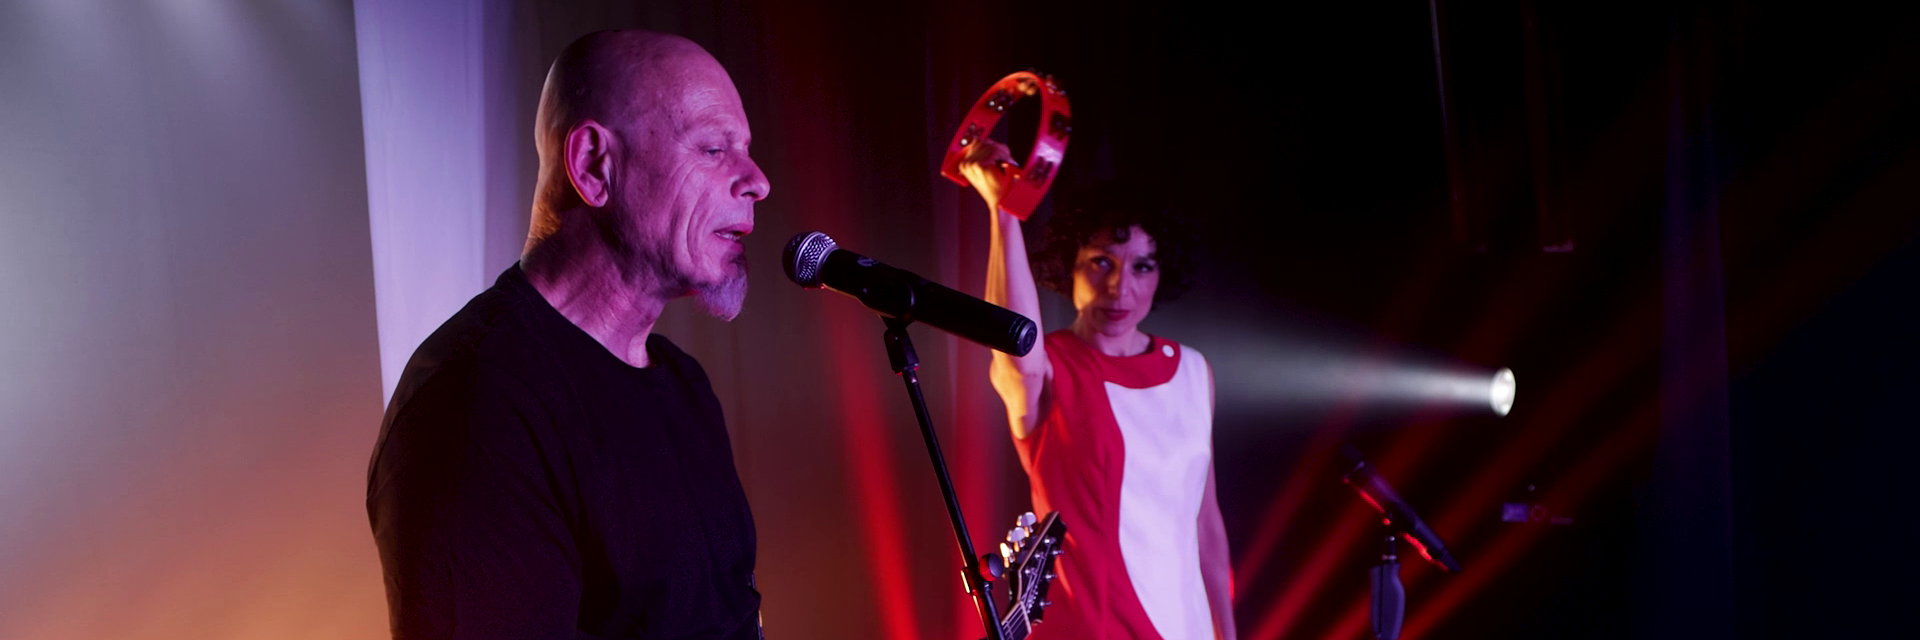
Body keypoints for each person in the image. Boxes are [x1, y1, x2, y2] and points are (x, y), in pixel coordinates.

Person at [366, 30, 771, 640]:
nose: (758, 181)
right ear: (593, 166)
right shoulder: (476, 407)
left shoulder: (683, 384)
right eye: (714, 148)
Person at [959, 141, 1236, 640]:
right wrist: (1004, 213)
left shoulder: (1195, 371)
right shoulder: (1047, 368)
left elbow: (1206, 525)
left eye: (1142, 266)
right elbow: (1013, 343)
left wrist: (1227, 632)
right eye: (1101, 262)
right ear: (1071, 263)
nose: (1119, 288)